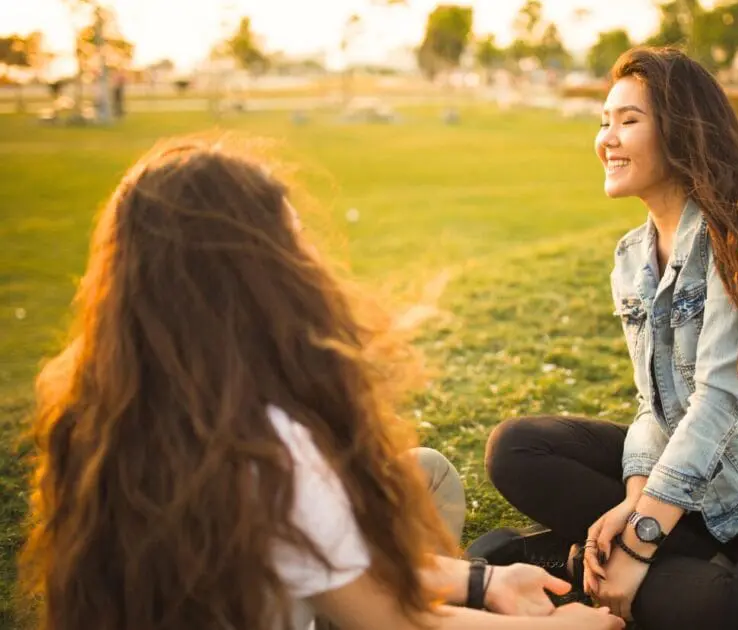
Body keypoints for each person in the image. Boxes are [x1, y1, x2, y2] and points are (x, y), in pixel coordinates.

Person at [19, 141, 626, 630]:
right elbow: (399, 622)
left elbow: (310, 550)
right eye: (291, 243)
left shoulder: (94, 397)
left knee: (424, 472)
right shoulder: (268, 447)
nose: (309, 260)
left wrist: (485, 582)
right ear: (253, 276)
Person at [469, 46, 738, 630]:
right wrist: (636, 503)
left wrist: (636, 542)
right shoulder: (633, 257)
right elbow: (655, 406)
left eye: (628, 121)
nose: (607, 138)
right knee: (516, 447)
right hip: (697, 486)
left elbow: (719, 402)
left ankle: (578, 561)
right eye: (603, 120)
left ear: (684, 131)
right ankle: (661, 564)